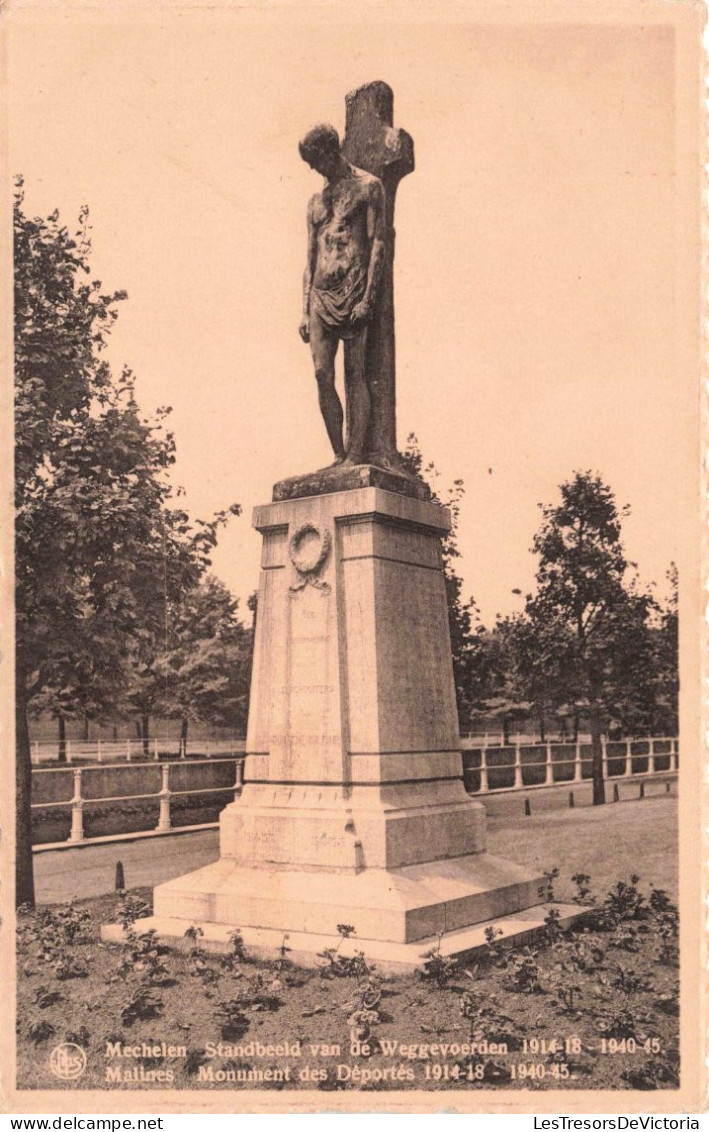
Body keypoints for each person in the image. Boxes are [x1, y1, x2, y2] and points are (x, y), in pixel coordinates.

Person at [298, 124, 385, 466]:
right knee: (322, 374)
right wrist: (304, 309)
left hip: (353, 290)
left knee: (355, 372)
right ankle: (337, 453)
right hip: (321, 294)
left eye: (315, 159)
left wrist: (368, 297)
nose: (312, 167)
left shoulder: (368, 187)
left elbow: (378, 242)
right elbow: (309, 258)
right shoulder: (315, 202)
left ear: (330, 151)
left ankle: (355, 454)